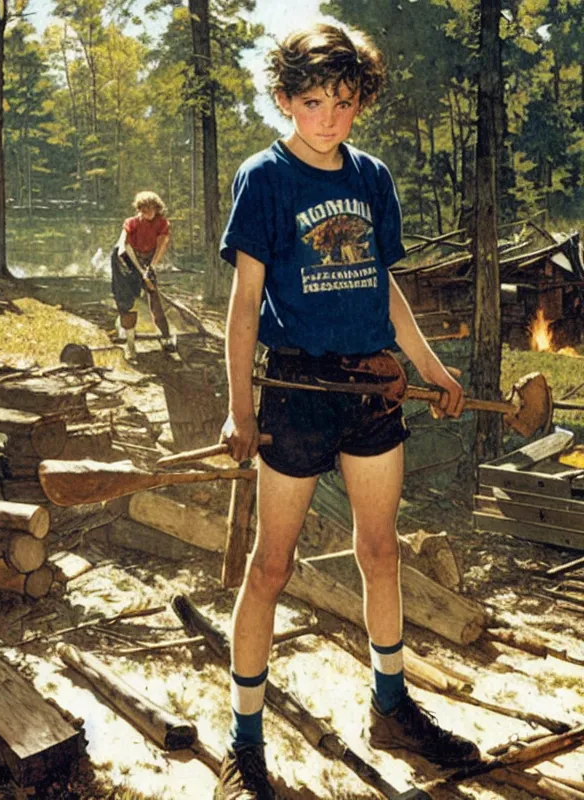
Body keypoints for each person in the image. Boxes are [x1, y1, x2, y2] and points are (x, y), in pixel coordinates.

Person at [216, 23, 480, 799]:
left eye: (342, 100)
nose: (328, 117)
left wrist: (430, 368)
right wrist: (239, 408)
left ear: (360, 98)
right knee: (272, 565)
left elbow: (382, 290)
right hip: (297, 391)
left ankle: (392, 708)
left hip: (371, 386)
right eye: (311, 101)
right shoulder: (264, 179)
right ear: (283, 99)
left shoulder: (371, 178)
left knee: (382, 552)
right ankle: (246, 742)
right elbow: (242, 307)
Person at [111, 190, 172, 361]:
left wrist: (150, 268)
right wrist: (140, 271)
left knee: (154, 296)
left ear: (156, 208)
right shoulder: (131, 223)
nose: (147, 212)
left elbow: (161, 246)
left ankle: (166, 336)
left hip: (149, 260)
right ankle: (130, 345)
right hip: (129, 261)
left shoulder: (162, 223)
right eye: (143, 209)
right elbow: (124, 249)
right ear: (139, 209)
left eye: (150, 208)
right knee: (126, 301)